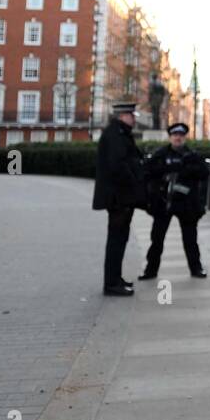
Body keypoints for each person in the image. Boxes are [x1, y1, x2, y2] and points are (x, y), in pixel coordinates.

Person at [140, 122, 210, 280]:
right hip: (165, 201)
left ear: (184, 137)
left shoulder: (192, 155)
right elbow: (147, 172)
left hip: (186, 203)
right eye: (175, 135)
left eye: (181, 135)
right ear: (170, 137)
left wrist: (186, 170)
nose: (178, 138)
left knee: (190, 239)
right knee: (157, 238)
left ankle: (196, 268)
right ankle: (150, 271)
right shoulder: (161, 154)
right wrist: (165, 171)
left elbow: (205, 173)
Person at [92, 102, 147, 296]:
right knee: (116, 241)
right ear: (122, 115)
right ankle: (112, 284)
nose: (134, 119)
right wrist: (134, 181)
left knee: (119, 240)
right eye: (132, 115)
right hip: (118, 198)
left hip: (120, 197)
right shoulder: (115, 134)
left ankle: (116, 279)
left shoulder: (119, 133)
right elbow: (118, 166)